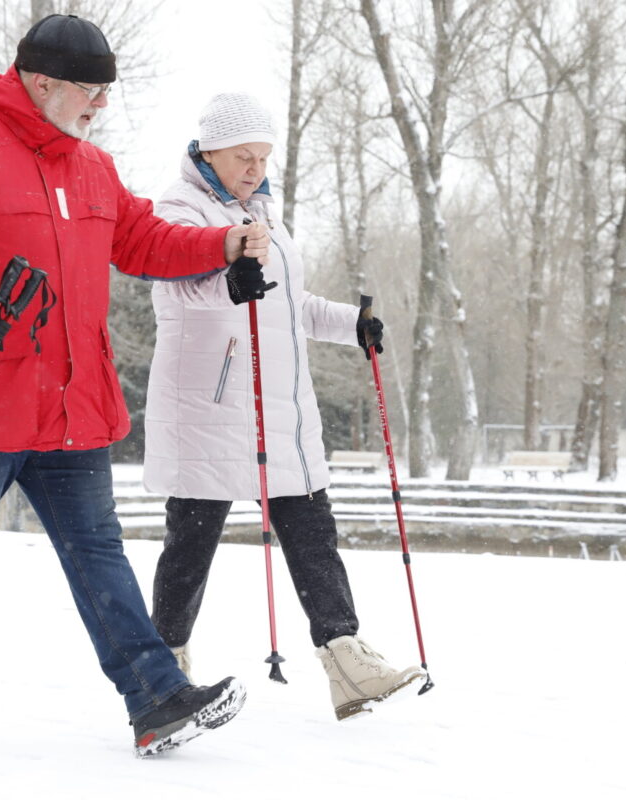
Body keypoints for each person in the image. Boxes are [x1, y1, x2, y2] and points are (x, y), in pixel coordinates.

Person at [0, 16, 274, 760]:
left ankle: (155, 698)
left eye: (105, 93)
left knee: (99, 553)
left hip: (71, 405)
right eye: (90, 91)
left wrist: (218, 244)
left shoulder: (91, 168)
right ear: (41, 80)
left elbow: (144, 241)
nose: (100, 105)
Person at [142, 93, 426, 722]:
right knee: (191, 544)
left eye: (263, 156)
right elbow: (184, 287)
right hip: (210, 406)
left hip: (282, 410)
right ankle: (164, 671)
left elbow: (286, 306)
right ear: (208, 151)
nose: (254, 167)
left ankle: (347, 660)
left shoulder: (264, 210)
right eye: (244, 156)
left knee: (312, 531)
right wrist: (226, 275)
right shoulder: (178, 208)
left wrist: (352, 323)